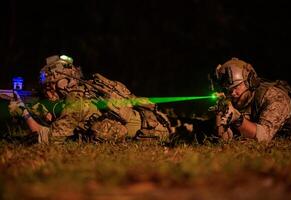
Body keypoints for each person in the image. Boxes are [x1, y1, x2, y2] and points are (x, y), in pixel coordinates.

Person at [9, 55, 172, 144]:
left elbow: (48, 138)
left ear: (62, 82)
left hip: (151, 134)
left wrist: (23, 111)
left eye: (49, 87)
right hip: (159, 122)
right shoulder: (93, 86)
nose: (48, 92)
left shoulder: (76, 100)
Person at [213, 57, 291, 142]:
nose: (232, 93)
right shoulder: (234, 101)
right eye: (228, 90)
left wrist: (238, 120)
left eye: (236, 87)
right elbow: (225, 140)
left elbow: (264, 137)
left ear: (250, 82)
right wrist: (219, 115)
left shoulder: (274, 97)